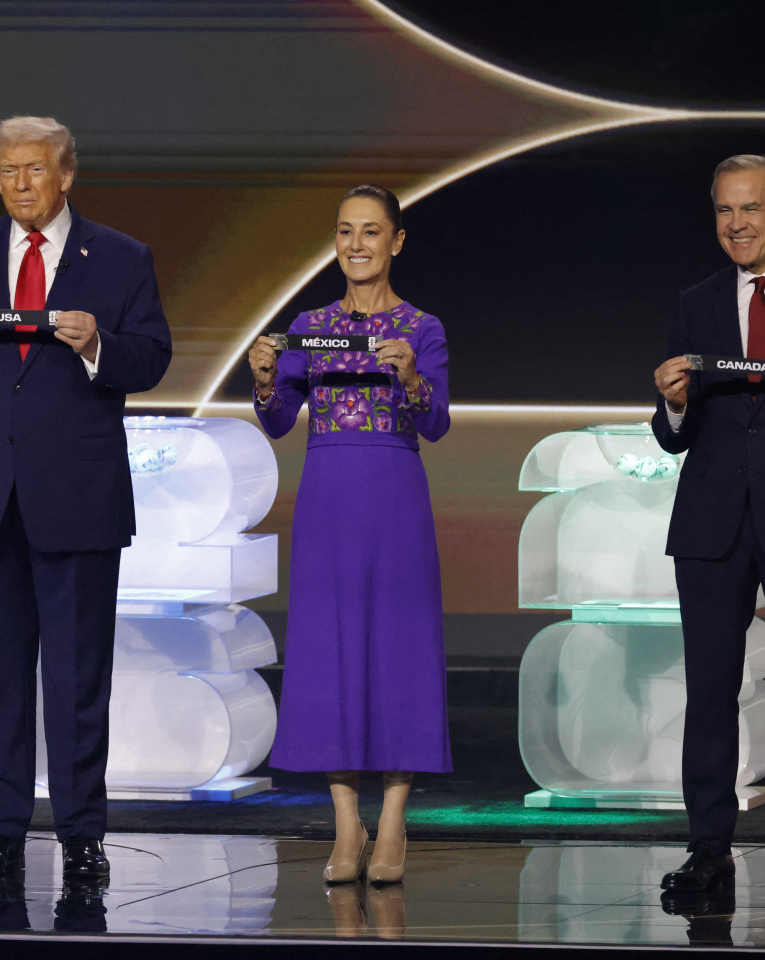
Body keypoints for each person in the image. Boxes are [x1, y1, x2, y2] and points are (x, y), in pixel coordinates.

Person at [0, 116, 171, 881]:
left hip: (75, 495)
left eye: (36, 170)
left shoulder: (119, 258)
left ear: (67, 174)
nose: (22, 184)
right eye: (8, 171)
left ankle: (82, 833)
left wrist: (95, 346)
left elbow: (150, 355)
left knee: (78, 678)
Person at [247, 184, 451, 885]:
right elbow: (278, 422)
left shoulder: (422, 327)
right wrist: (268, 379)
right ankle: (345, 822)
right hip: (328, 500)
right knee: (331, 653)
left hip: (395, 499)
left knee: (398, 652)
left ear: (396, 241)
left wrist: (411, 377)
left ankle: (392, 819)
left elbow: (435, 423)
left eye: (371, 232)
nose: (357, 245)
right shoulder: (310, 325)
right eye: (345, 232)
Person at [654, 154, 765, 891]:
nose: (736, 224)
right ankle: (709, 849)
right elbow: (676, 434)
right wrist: (674, 402)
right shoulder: (698, 299)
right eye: (724, 211)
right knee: (711, 689)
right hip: (713, 524)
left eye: (749, 208)